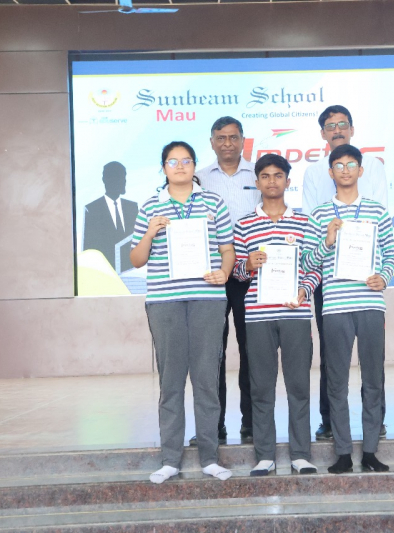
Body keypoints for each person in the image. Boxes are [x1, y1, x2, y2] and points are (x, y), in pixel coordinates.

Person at [130, 141, 235, 484]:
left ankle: (210, 458)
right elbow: (136, 259)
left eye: (186, 160)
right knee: (171, 381)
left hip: (207, 300)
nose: (179, 166)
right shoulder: (150, 206)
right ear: (164, 168)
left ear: (194, 165)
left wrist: (224, 272)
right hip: (165, 302)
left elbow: (227, 249)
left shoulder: (213, 202)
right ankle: (170, 460)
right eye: (172, 161)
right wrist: (150, 232)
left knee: (206, 380)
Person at [302, 144, 394, 474]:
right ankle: (343, 452)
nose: (345, 170)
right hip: (335, 307)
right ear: (330, 172)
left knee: (373, 379)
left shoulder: (376, 211)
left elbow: (391, 254)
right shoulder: (319, 215)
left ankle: (370, 451)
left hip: (370, 303)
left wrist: (383, 277)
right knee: (336, 382)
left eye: (351, 164)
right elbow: (307, 262)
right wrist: (327, 241)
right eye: (339, 166)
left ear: (361, 170)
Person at [233, 154, 320, 476]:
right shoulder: (243, 224)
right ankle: (265, 456)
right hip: (258, 316)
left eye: (278, 175)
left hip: (295, 314)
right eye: (266, 176)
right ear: (257, 182)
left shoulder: (305, 222)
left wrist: (305, 290)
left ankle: (301, 455)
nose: (272, 181)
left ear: (288, 181)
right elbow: (236, 273)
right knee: (261, 387)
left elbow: (314, 267)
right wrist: (247, 265)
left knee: (298, 385)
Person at [196, 117, 260, 444]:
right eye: (221, 138)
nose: (227, 144)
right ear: (211, 142)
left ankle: (252, 425)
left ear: (243, 140)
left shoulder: (259, 174)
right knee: (212, 354)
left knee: (253, 351)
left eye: (233, 137)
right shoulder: (199, 178)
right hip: (213, 275)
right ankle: (213, 427)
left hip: (251, 273)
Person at [82, 161, 138, 272]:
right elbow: (90, 251)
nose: (124, 181)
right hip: (105, 274)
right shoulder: (92, 209)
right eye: (120, 177)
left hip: (133, 273)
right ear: (106, 180)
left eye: (124, 177)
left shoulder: (132, 207)